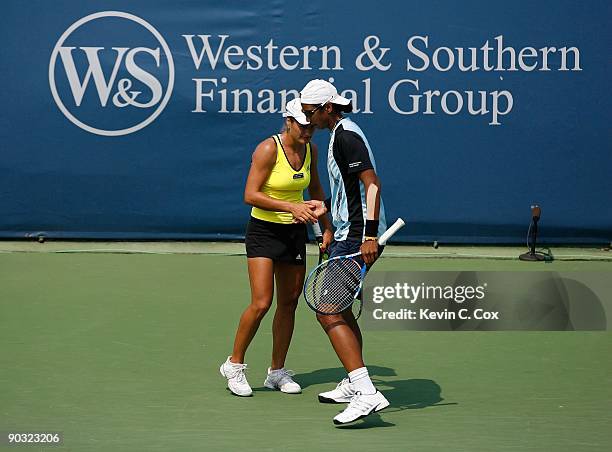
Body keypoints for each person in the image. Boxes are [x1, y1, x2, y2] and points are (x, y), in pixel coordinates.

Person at [220, 98, 331, 397]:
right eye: (303, 126)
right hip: (263, 231)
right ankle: (234, 364)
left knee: (289, 303)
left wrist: (326, 224)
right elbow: (250, 194)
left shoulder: (311, 150)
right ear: (289, 122)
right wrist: (289, 206)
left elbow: (316, 189)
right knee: (261, 302)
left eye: (312, 128)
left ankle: (277, 372)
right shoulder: (268, 149)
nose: (309, 132)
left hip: (294, 233)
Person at [300, 79, 389, 424]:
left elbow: (372, 185)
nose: (309, 120)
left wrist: (368, 235)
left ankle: (367, 392)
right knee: (342, 309)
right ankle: (355, 381)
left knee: (328, 310)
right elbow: (347, 193)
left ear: (327, 108)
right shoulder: (339, 134)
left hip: (356, 237)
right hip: (346, 232)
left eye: (311, 113)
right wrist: (324, 208)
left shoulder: (347, 137)